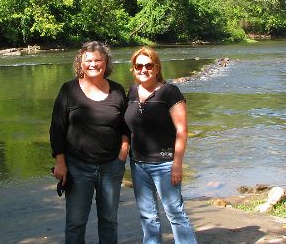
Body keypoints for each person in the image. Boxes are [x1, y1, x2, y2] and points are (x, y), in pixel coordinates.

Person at [49, 41, 129, 244]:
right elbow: (57, 127)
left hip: (111, 165)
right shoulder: (69, 90)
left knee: (109, 220)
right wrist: (60, 161)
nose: (93, 64)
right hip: (77, 166)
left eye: (98, 60)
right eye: (89, 60)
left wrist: (123, 151)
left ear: (106, 63)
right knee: (76, 222)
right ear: (81, 63)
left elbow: (126, 127)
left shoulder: (117, 91)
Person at [125, 47, 197, 244]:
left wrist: (177, 164)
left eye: (149, 65)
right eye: (139, 65)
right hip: (138, 164)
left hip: (165, 163)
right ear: (133, 69)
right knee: (148, 216)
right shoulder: (131, 92)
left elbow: (181, 130)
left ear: (157, 68)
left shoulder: (170, 92)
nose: (144, 69)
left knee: (175, 212)